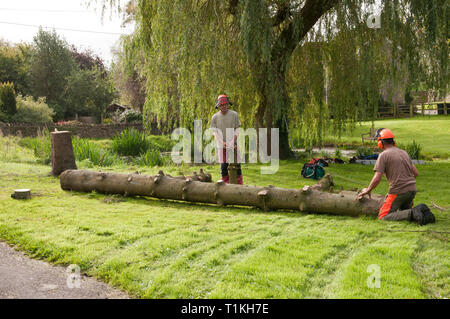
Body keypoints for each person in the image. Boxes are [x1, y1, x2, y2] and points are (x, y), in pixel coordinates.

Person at [357, 128, 435, 225]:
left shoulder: (383, 155)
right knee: (405, 211)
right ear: (393, 141)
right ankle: (423, 212)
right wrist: (406, 183)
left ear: (380, 142)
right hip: (412, 190)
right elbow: (415, 173)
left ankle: (412, 212)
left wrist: (368, 190)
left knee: (383, 216)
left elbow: (377, 178)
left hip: (398, 192)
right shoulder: (404, 153)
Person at [210, 94, 243, 184]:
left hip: (233, 145)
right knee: (224, 167)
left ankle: (239, 185)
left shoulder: (234, 115)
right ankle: (225, 187)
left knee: (237, 167)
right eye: (222, 105)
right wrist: (222, 142)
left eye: (225, 104)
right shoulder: (215, 117)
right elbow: (214, 132)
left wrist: (233, 141)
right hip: (221, 146)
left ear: (228, 104)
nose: (224, 106)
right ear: (219, 106)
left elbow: (237, 128)